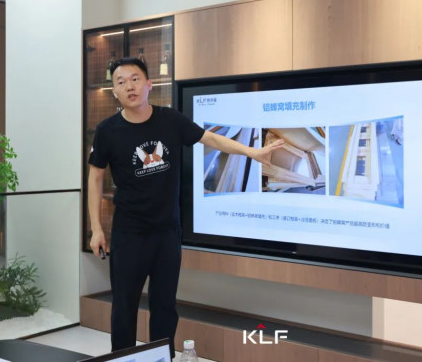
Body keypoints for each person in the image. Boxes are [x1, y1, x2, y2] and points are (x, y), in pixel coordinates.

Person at [87, 57, 283, 356]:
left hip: (167, 232)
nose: (129, 86)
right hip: (129, 234)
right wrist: (97, 229)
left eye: (135, 79)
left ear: (149, 84)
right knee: (124, 307)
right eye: (121, 82)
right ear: (114, 91)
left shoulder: (170, 120)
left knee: (165, 307)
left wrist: (251, 152)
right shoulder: (107, 130)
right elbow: (95, 177)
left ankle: (161, 357)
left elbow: (212, 139)